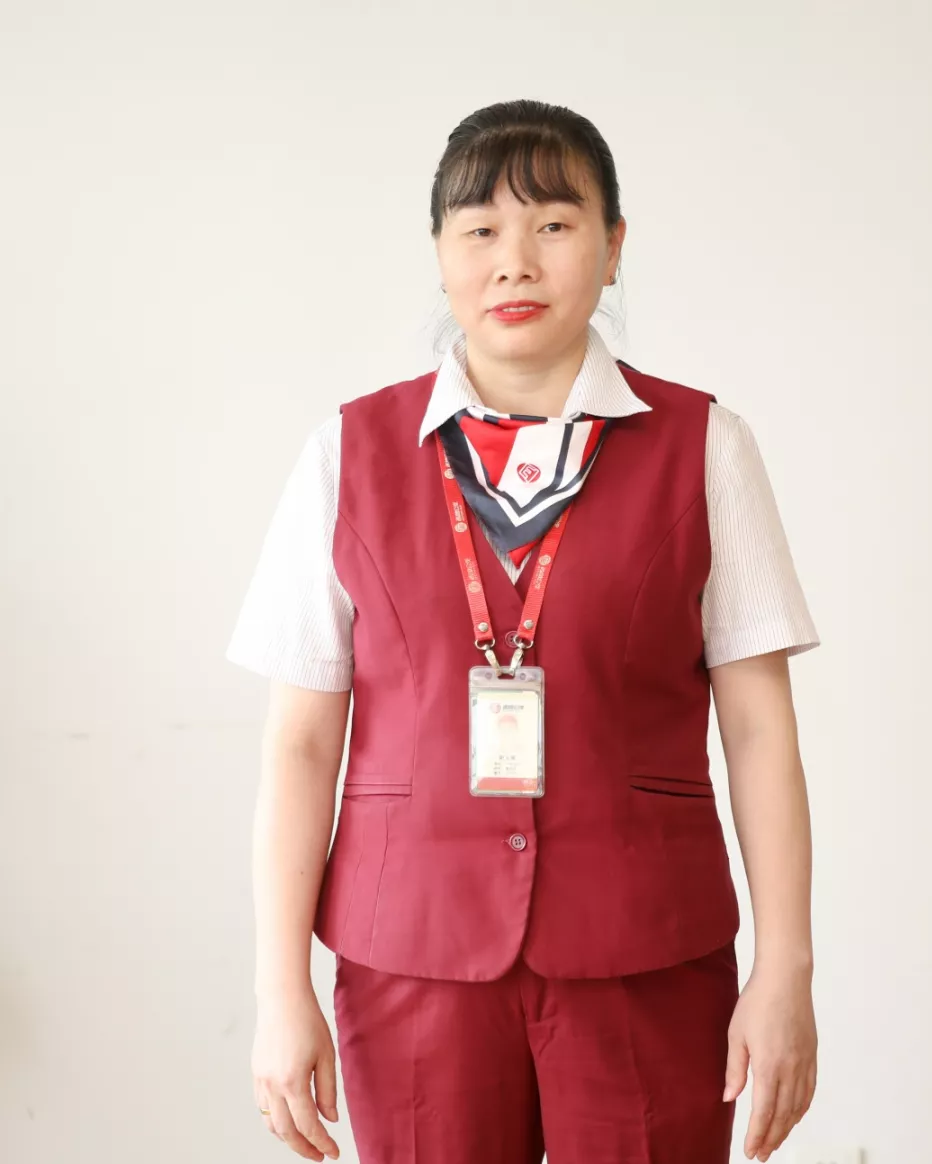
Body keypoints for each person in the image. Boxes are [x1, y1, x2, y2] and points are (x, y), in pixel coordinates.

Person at [227, 98, 821, 1164]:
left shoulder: (705, 446)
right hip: (411, 956)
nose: (516, 261)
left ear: (613, 247)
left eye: (553, 224)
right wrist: (280, 993)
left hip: (647, 951)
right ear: (440, 255)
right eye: (481, 230)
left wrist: (787, 972)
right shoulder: (345, 454)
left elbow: (759, 730)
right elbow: (301, 743)